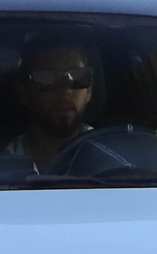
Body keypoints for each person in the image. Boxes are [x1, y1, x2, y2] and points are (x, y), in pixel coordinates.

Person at [6, 42, 95, 170]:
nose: (66, 90)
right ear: (23, 93)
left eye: (77, 77)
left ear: (89, 91)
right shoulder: (1, 169)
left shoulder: (116, 162)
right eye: (48, 78)